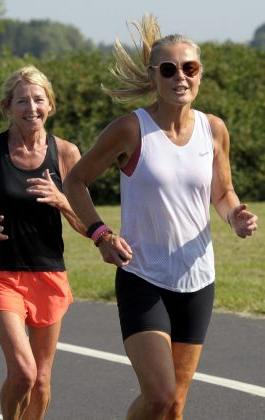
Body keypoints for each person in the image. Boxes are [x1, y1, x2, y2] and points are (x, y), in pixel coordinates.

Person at [63, 14, 259, 420]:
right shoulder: (131, 130)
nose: (180, 77)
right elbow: (76, 181)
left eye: (190, 68)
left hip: (197, 279)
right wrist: (100, 234)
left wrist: (235, 214)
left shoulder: (214, 129)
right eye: (169, 69)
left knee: (174, 407)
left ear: (200, 73)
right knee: (159, 395)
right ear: (154, 77)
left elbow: (221, 193)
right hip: (143, 276)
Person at [0, 65, 86, 419]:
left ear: (51, 105)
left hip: (49, 273)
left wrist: (61, 200)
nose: (31, 108)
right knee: (23, 372)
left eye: (39, 99)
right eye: (22, 101)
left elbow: (88, 224)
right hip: (2, 273)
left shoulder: (67, 153)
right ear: (6, 107)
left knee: (41, 380)